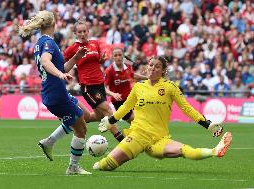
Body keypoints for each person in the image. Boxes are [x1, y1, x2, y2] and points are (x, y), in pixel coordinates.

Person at [93, 56, 232, 171]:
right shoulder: (138, 87)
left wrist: (207, 124)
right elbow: (125, 107)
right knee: (105, 165)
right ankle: (99, 164)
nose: (152, 68)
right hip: (138, 135)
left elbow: (187, 109)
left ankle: (215, 150)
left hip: (159, 138)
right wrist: (110, 121)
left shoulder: (170, 87)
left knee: (184, 150)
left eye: (157, 66)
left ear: (163, 71)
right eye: (151, 65)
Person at [18, 10, 91, 175]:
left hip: (55, 93)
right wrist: (60, 75)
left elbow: (60, 68)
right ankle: (72, 167)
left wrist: (75, 58)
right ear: (53, 24)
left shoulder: (42, 42)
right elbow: (46, 62)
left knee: (83, 117)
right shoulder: (48, 43)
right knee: (81, 129)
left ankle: (49, 142)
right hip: (56, 94)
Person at [63, 20, 125, 142]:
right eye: (79, 32)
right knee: (108, 110)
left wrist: (101, 60)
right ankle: (122, 140)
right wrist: (63, 73)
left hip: (100, 84)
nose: (82, 34)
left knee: (97, 116)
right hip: (88, 86)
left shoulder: (95, 43)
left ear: (88, 31)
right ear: (75, 33)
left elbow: (97, 61)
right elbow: (62, 63)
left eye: (84, 31)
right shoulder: (73, 49)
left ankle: (70, 121)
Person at [104, 47, 147, 123]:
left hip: (131, 98)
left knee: (139, 121)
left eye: (120, 55)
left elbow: (133, 75)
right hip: (119, 102)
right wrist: (113, 94)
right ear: (112, 57)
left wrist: (147, 78)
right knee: (135, 121)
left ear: (123, 55)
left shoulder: (127, 66)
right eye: (115, 55)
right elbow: (103, 88)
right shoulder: (109, 70)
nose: (118, 57)